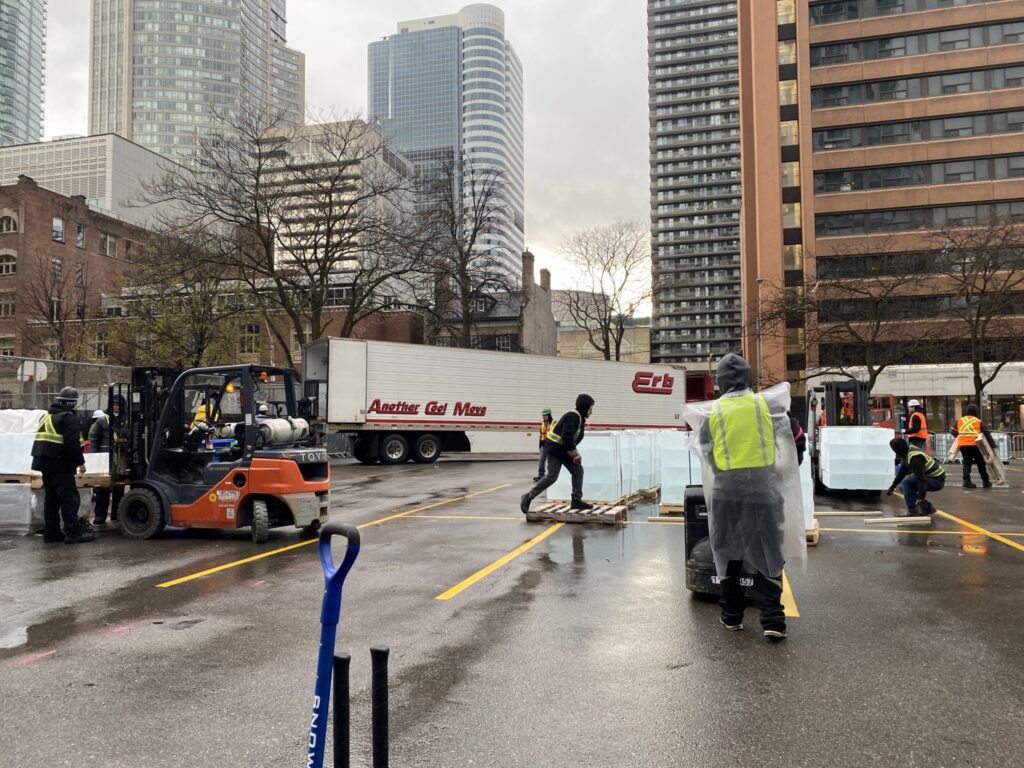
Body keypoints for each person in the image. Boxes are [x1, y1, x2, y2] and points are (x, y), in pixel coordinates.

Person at [691, 354, 802, 642]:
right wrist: (779, 469)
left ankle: (731, 617)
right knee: (768, 550)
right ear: (748, 378)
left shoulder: (712, 412)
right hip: (763, 492)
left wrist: (721, 469)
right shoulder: (765, 405)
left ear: (721, 382)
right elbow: (794, 438)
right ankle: (773, 620)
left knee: (727, 553)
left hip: (726, 493)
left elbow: (705, 450)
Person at [32, 387, 92, 544]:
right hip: (61, 466)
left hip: (46, 465)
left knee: (51, 500)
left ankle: (51, 534)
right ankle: (73, 534)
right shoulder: (68, 418)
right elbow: (72, 444)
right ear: (72, 403)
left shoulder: (46, 416)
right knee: (69, 500)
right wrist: (81, 463)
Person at [521, 394, 595, 514]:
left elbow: (571, 439)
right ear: (584, 407)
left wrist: (573, 454)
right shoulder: (574, 416)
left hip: (563, 450)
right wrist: (575, 454)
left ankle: (576, 500)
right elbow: (567, 436)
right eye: (590, 409)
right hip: (555, 450)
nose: (591, 412)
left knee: (577, 470)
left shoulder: (579, 418)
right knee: (552, 477)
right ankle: (528, 497)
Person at [887, 437, 946, 515]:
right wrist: (892, 486)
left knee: (906, 482)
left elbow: (921, 479)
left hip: (937, 480)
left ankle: (913, 511)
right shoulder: (908, 451)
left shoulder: (915, 458)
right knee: (903, 487)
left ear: (898, 450)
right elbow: (902, 471)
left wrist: (921, 498)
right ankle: (928, 508)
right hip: (930, 477)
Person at [88, 407, 123, 528]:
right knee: (103, 485)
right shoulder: (103, 420)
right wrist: (93, 457)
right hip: (105, 457)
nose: (116, 407)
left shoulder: (126, 418)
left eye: (119, 404)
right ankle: (100, 515)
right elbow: (94, 439)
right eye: (115, 404)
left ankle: (117, 513)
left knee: (120, 484)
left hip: (120, 457)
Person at [951, 404, 992, 489]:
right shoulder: (978, 421)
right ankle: (986, 481)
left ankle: (966, 481)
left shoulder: (959, 420)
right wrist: (992, 445)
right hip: (976, 445)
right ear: (976, 412)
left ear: (966, 411)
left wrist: (960, 436)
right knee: (980, 463)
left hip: (963, 445)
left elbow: (953, 430)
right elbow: (986, 433)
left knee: (966, 463)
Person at [533, 407, 554, 481]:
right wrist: (540, 444)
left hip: (551, 445)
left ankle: (550, 476)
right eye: (543, 415)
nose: (544, 417)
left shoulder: (554, 423)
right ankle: (541, 475)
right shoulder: (542, 423)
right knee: (541, 460)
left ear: (549, 415)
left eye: (545, 415)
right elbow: (541, 434)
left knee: (550, 461)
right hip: (544, 445)